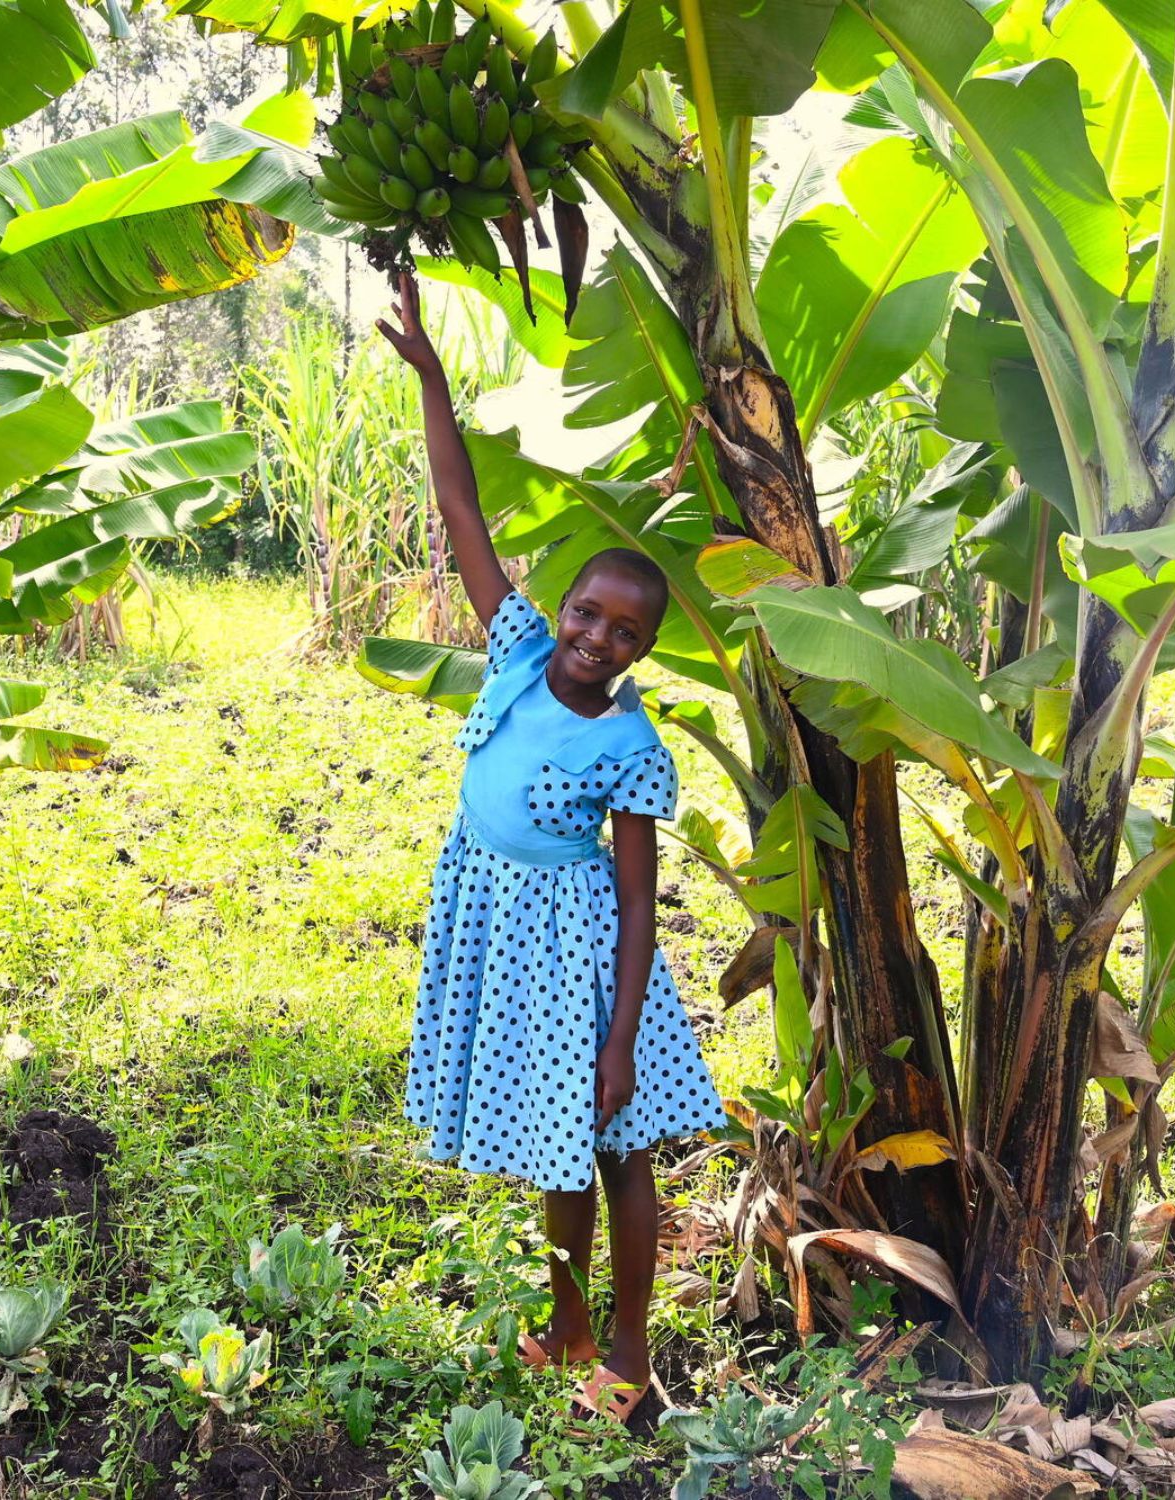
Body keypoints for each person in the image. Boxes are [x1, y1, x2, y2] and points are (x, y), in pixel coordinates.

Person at [375, 272, 725, 1426]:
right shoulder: (518, 654)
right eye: (585, 613)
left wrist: (620, 1035)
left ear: (644, 650)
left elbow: (638, 904)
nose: (593, 638)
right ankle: (567, 1322)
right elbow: (460, 510)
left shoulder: (627, 743)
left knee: (615, 1145)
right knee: (551, 1153)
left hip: (578, 955)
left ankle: (626, 1349)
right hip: (497, 925)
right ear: (560, 606)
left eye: (622, 632)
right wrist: (431, 378)